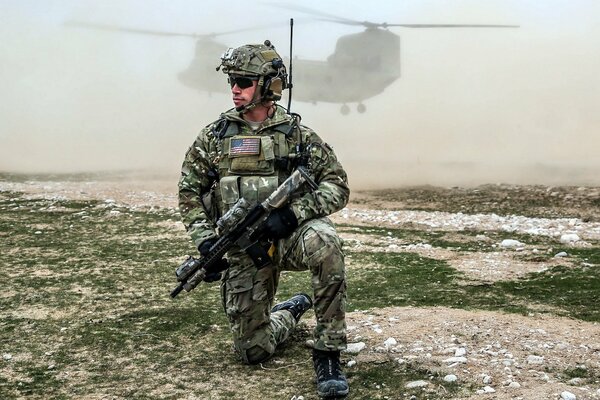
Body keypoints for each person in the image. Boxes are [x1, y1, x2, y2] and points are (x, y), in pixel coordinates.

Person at [178, 40, 350, 398]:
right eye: (232, 82)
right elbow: (189, 193)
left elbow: (338, 185)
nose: (234, 90)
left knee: (325, 243)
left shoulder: (298, 136)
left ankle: (328, 349)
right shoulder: (214, 138)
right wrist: (206, 242)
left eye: (243, 81)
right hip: (245, 248)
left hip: (289, 238)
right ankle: (290, 311)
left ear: (268, 85)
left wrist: (293, 215)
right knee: (253, 352)